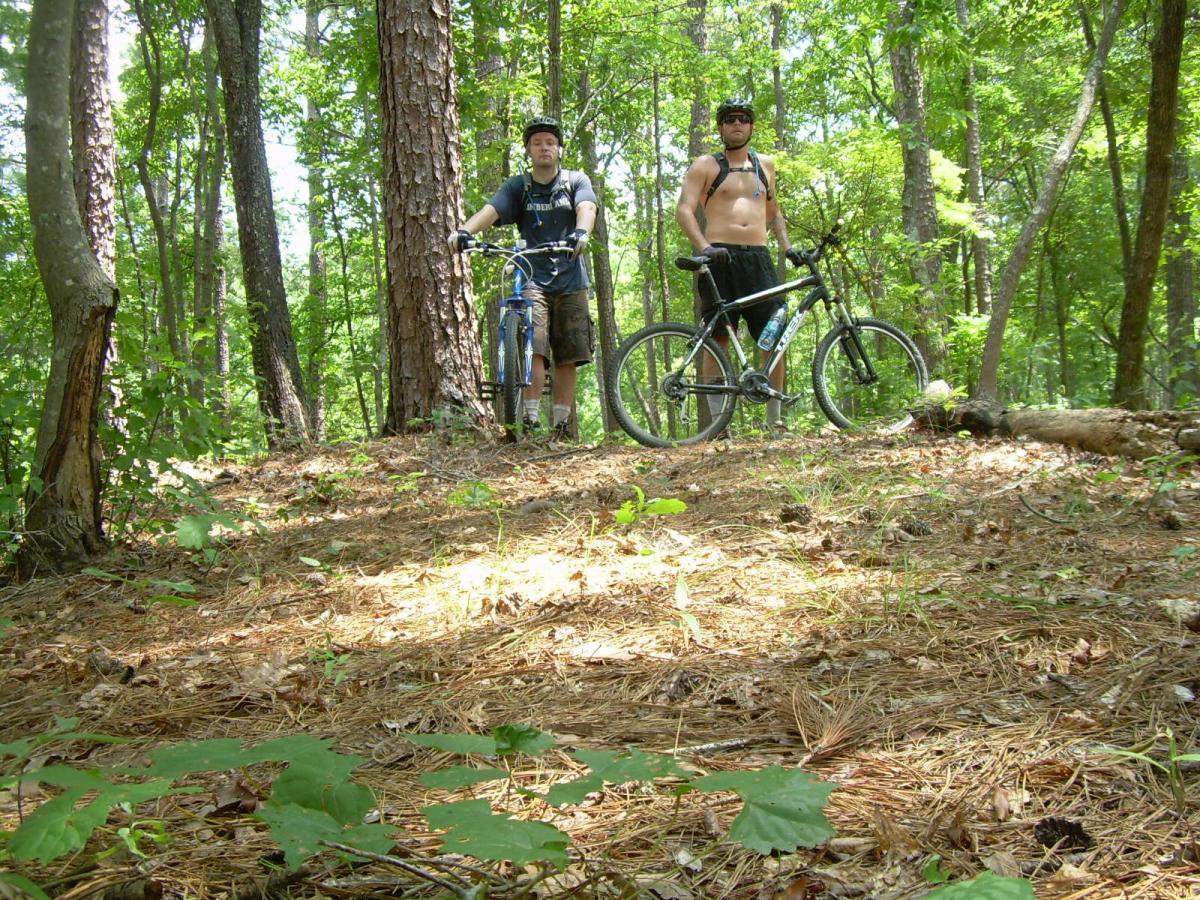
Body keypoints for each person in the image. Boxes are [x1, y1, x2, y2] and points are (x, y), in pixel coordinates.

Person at [449, 116, 599, 439]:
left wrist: (581, 233)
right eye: (537, 143)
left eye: (550, 142)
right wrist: (464, 231)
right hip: (533, 277)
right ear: (528, 150)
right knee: (536, 348)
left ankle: (560, 426)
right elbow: (492, 210)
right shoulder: (519, 186)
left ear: (559, 149)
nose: (544, 147)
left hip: (571, 277)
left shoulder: (575, 180)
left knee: (569, 355)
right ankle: (529, 421)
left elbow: (587, 208)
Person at [675, 98, 803, 433]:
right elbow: (684, 209)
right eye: (729, 119)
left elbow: (774, 214)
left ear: (751, 126)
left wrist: (788, 249)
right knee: (717, 339)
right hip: (720, 257)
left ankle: (775, 422)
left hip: (758, 260)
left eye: (743, 119)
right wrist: (704, 247)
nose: (737, 124)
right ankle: (719, 426)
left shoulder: (766, 165)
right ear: (720, 127)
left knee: (772, 339)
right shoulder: (706, 165)